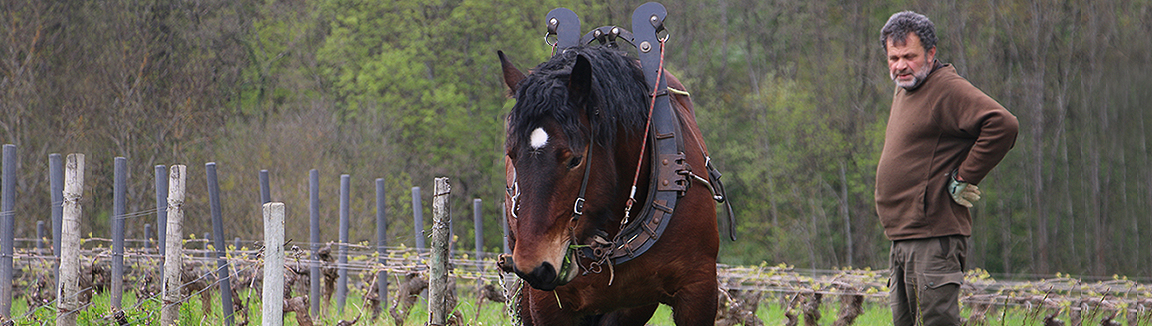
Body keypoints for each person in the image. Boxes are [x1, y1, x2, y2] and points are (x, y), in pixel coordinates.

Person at [874, 11, 1019, 326]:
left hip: (933, 236)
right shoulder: (907, 88)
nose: (900, 65)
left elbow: (1003, 124)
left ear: (930, 53)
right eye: (893, 57)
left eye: (909, 56)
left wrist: (964, 177)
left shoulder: (945, 87)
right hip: (903, 236)